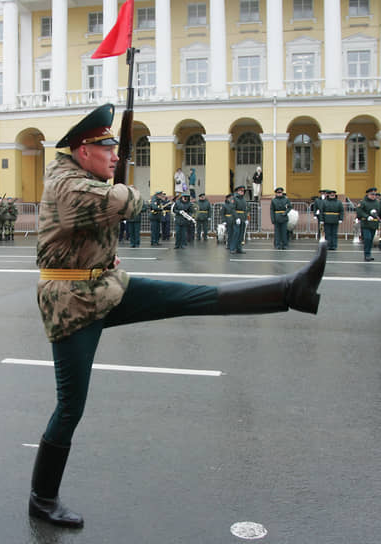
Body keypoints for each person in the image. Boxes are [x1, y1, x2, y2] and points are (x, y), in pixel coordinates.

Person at [30, 103, 328, 528]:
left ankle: (291, 291)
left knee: (192, 296)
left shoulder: (87, 176)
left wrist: (120, 187)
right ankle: (42, 498)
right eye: (108, 148)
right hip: (71, 303)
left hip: (105, 287)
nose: (115, 155)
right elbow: (128, 203)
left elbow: (120, 200)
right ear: (83, 151)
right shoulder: (66, 183)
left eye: (116, 147)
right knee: (70, 407)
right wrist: (128, 188)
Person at [356, 187, 380, 261]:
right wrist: (366, 216)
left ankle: (368, 253)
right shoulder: (363, 202)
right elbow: (359, 211)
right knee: (367, 238)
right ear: (368, 194)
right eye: (372, 194)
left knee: (371, 239)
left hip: (374, 223)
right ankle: (367, 254)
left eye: (374, 194)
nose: (373, 196)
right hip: (366, 223)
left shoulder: (377, 202)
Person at [229, 185, 248, 254]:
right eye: (240, 191)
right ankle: (232, 248)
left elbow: (245, 210)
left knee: (241, 234)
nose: (242, 192)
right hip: (236, 218)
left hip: (242, 218)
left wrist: (246, 219)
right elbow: (232, 209)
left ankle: (239, 248)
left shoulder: (243, 199)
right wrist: (237, 218)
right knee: (236, 233)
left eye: (243, 191)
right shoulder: (234, 198)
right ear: (237, 191)